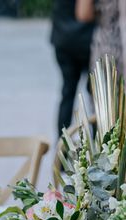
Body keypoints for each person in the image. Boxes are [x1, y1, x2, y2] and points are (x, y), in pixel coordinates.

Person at [51, 0, 95, 138]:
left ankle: (61, 149)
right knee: (97, 98)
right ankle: (101, 151)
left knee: (67, 94)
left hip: (64, 38)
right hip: (90, 40)